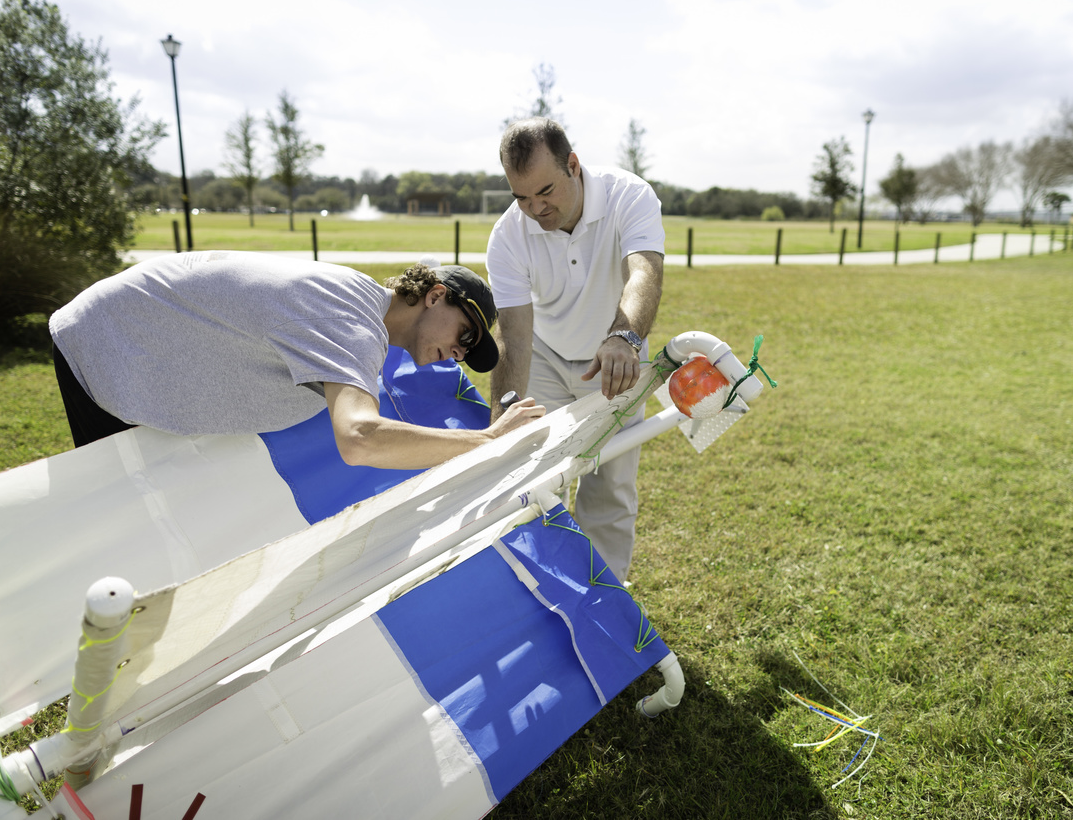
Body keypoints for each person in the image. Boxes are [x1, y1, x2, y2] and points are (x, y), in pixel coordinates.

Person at [49, 251, 544, 467]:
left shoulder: (356, 304)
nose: (458, 356)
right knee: (120, 515)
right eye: (465, 334)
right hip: (106, 346)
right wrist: (485, 439)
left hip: (127, 345)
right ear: (435, 295)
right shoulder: (354, 323)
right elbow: (360, 439)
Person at [485, 117, 665, 583]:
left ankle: (607, 606)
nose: (535, 208)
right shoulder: (508, 237)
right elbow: (514, 334)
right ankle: (544, 591)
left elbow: (644, 273)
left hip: (618, 357)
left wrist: (624, 336)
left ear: (573, 165)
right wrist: (504, 410)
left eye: (545, 191)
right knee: (535, 481)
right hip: (542, 357)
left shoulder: (630, 195)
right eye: (521, 197)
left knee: (610, 488)